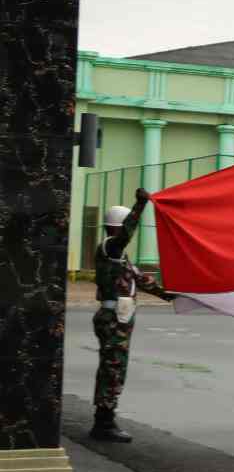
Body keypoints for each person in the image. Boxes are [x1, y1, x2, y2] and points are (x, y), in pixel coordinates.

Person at [92, 188, 174, 442]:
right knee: (113, 369)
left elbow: (141, 280)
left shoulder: (120, 257)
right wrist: (140, 205)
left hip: (120, 319)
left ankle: (105, 419)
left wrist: (171, 295)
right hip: (113, 319)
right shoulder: (110, 246)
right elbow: (126, 234)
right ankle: (104, 423)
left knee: (114, 368)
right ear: (116, 228)